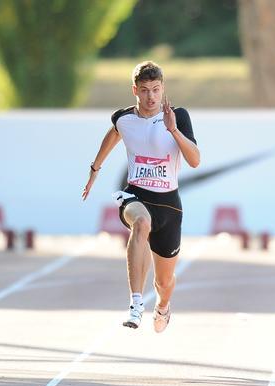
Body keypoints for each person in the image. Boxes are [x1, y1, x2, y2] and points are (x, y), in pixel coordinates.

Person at [81, 61, 200, 332]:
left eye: (156, 90)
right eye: (145, 90)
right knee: (141, 224)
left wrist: (173, 130)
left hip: (169, 204)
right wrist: (94, 170)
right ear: (135, 90)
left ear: (163, 89)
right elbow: (112, 136)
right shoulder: (124, 118)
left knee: (164, 283)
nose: (151, 97)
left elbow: (195, 160)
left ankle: (163, 306)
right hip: (135, 195)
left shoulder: (178, 116)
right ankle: (136, 303)